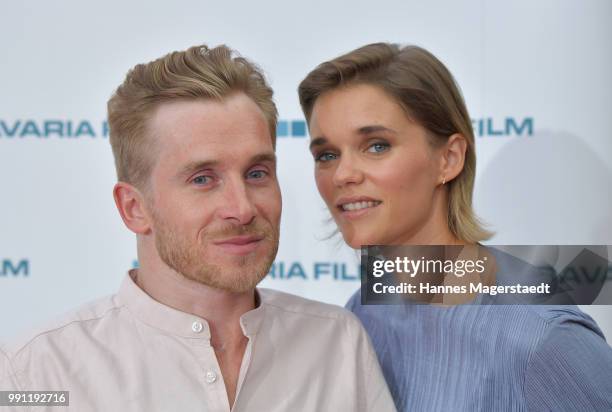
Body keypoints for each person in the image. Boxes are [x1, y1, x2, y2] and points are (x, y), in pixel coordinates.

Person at [0, 44, 396, 412]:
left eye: (257, 173)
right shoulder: (34, 372)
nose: (241, 209)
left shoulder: (337, 343)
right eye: (202, 179)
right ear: (134, 208)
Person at [298, 42, 612, 411]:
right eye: (327, 155)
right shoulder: (366, 311)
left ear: (449, 159)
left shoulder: (544, 339)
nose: (343, 174)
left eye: (377, 146)